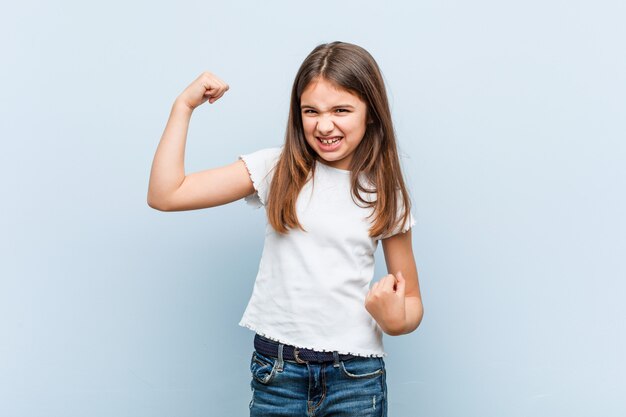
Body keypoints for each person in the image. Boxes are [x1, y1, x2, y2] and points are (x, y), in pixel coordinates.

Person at [147, 41, 423, 417]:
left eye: (341, 110)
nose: (324, 125)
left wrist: (395, 319)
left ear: (371, 113)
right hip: (278, 374)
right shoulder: (276, 169)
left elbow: (412, 304)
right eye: (311, 111)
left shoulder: (385, 192)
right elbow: (166, 194)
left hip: (355, 377)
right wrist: (183, 107)